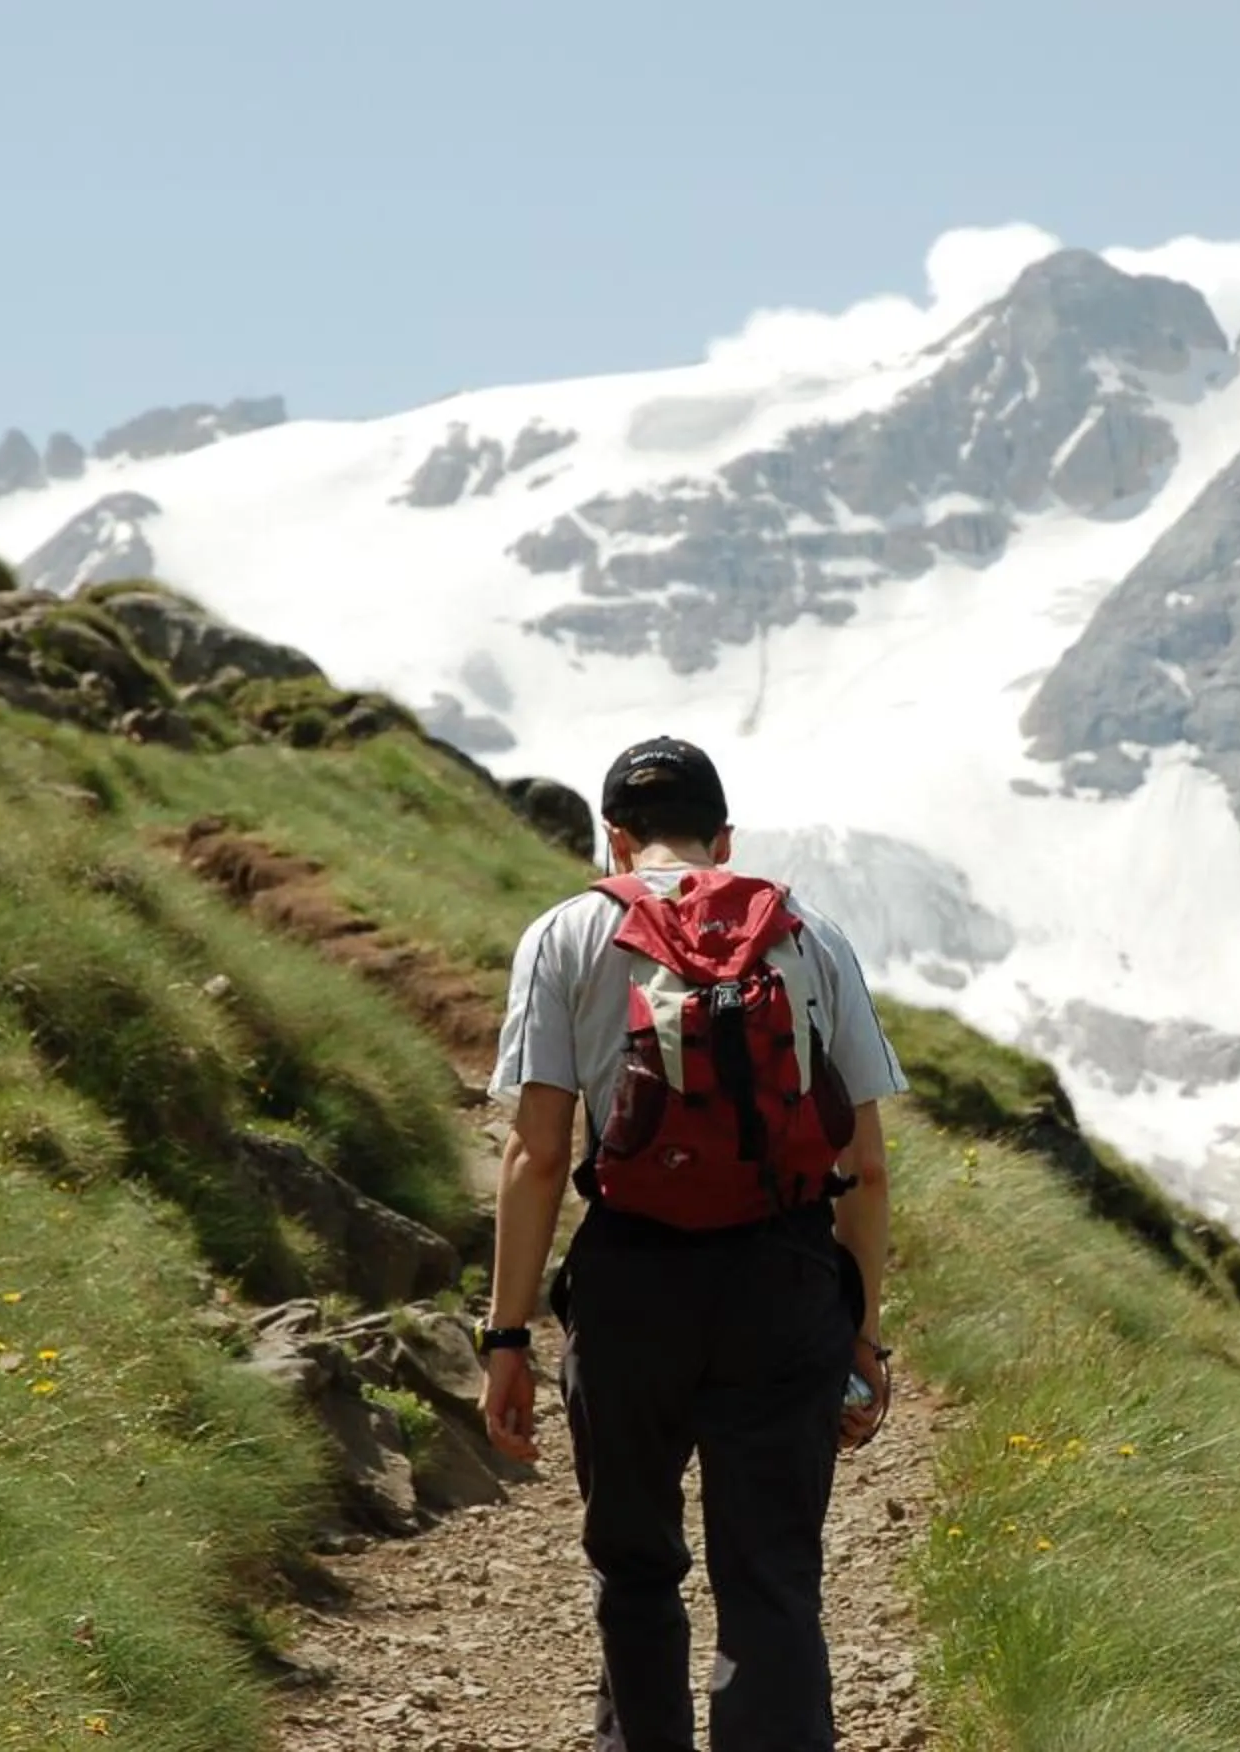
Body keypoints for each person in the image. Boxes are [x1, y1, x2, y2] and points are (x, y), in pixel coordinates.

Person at [481, 735, 905, 1752]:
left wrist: (506, 1337)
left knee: (634, 1566)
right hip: (786, 1277)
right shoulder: (808, 933)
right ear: (723, 838)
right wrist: (863, 1334)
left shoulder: (568, 932)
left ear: (616, 839)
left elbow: (538, 1155)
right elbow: (869, 1165)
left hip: (632, 1284)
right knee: (771, 1579)